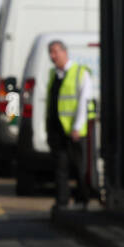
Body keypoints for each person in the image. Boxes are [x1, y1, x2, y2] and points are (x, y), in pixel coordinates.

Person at [46, 39, 96, 208]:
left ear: (65, 52)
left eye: (55, 52)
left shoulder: (80, 72)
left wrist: (77, 126)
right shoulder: (54, 74)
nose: (52, 56)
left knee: (79, 167)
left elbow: (84, 101)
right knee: (60, 168)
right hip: (57, 130)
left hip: (75, 131)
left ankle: (82, 200)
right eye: (50, 52)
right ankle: (62, 201)